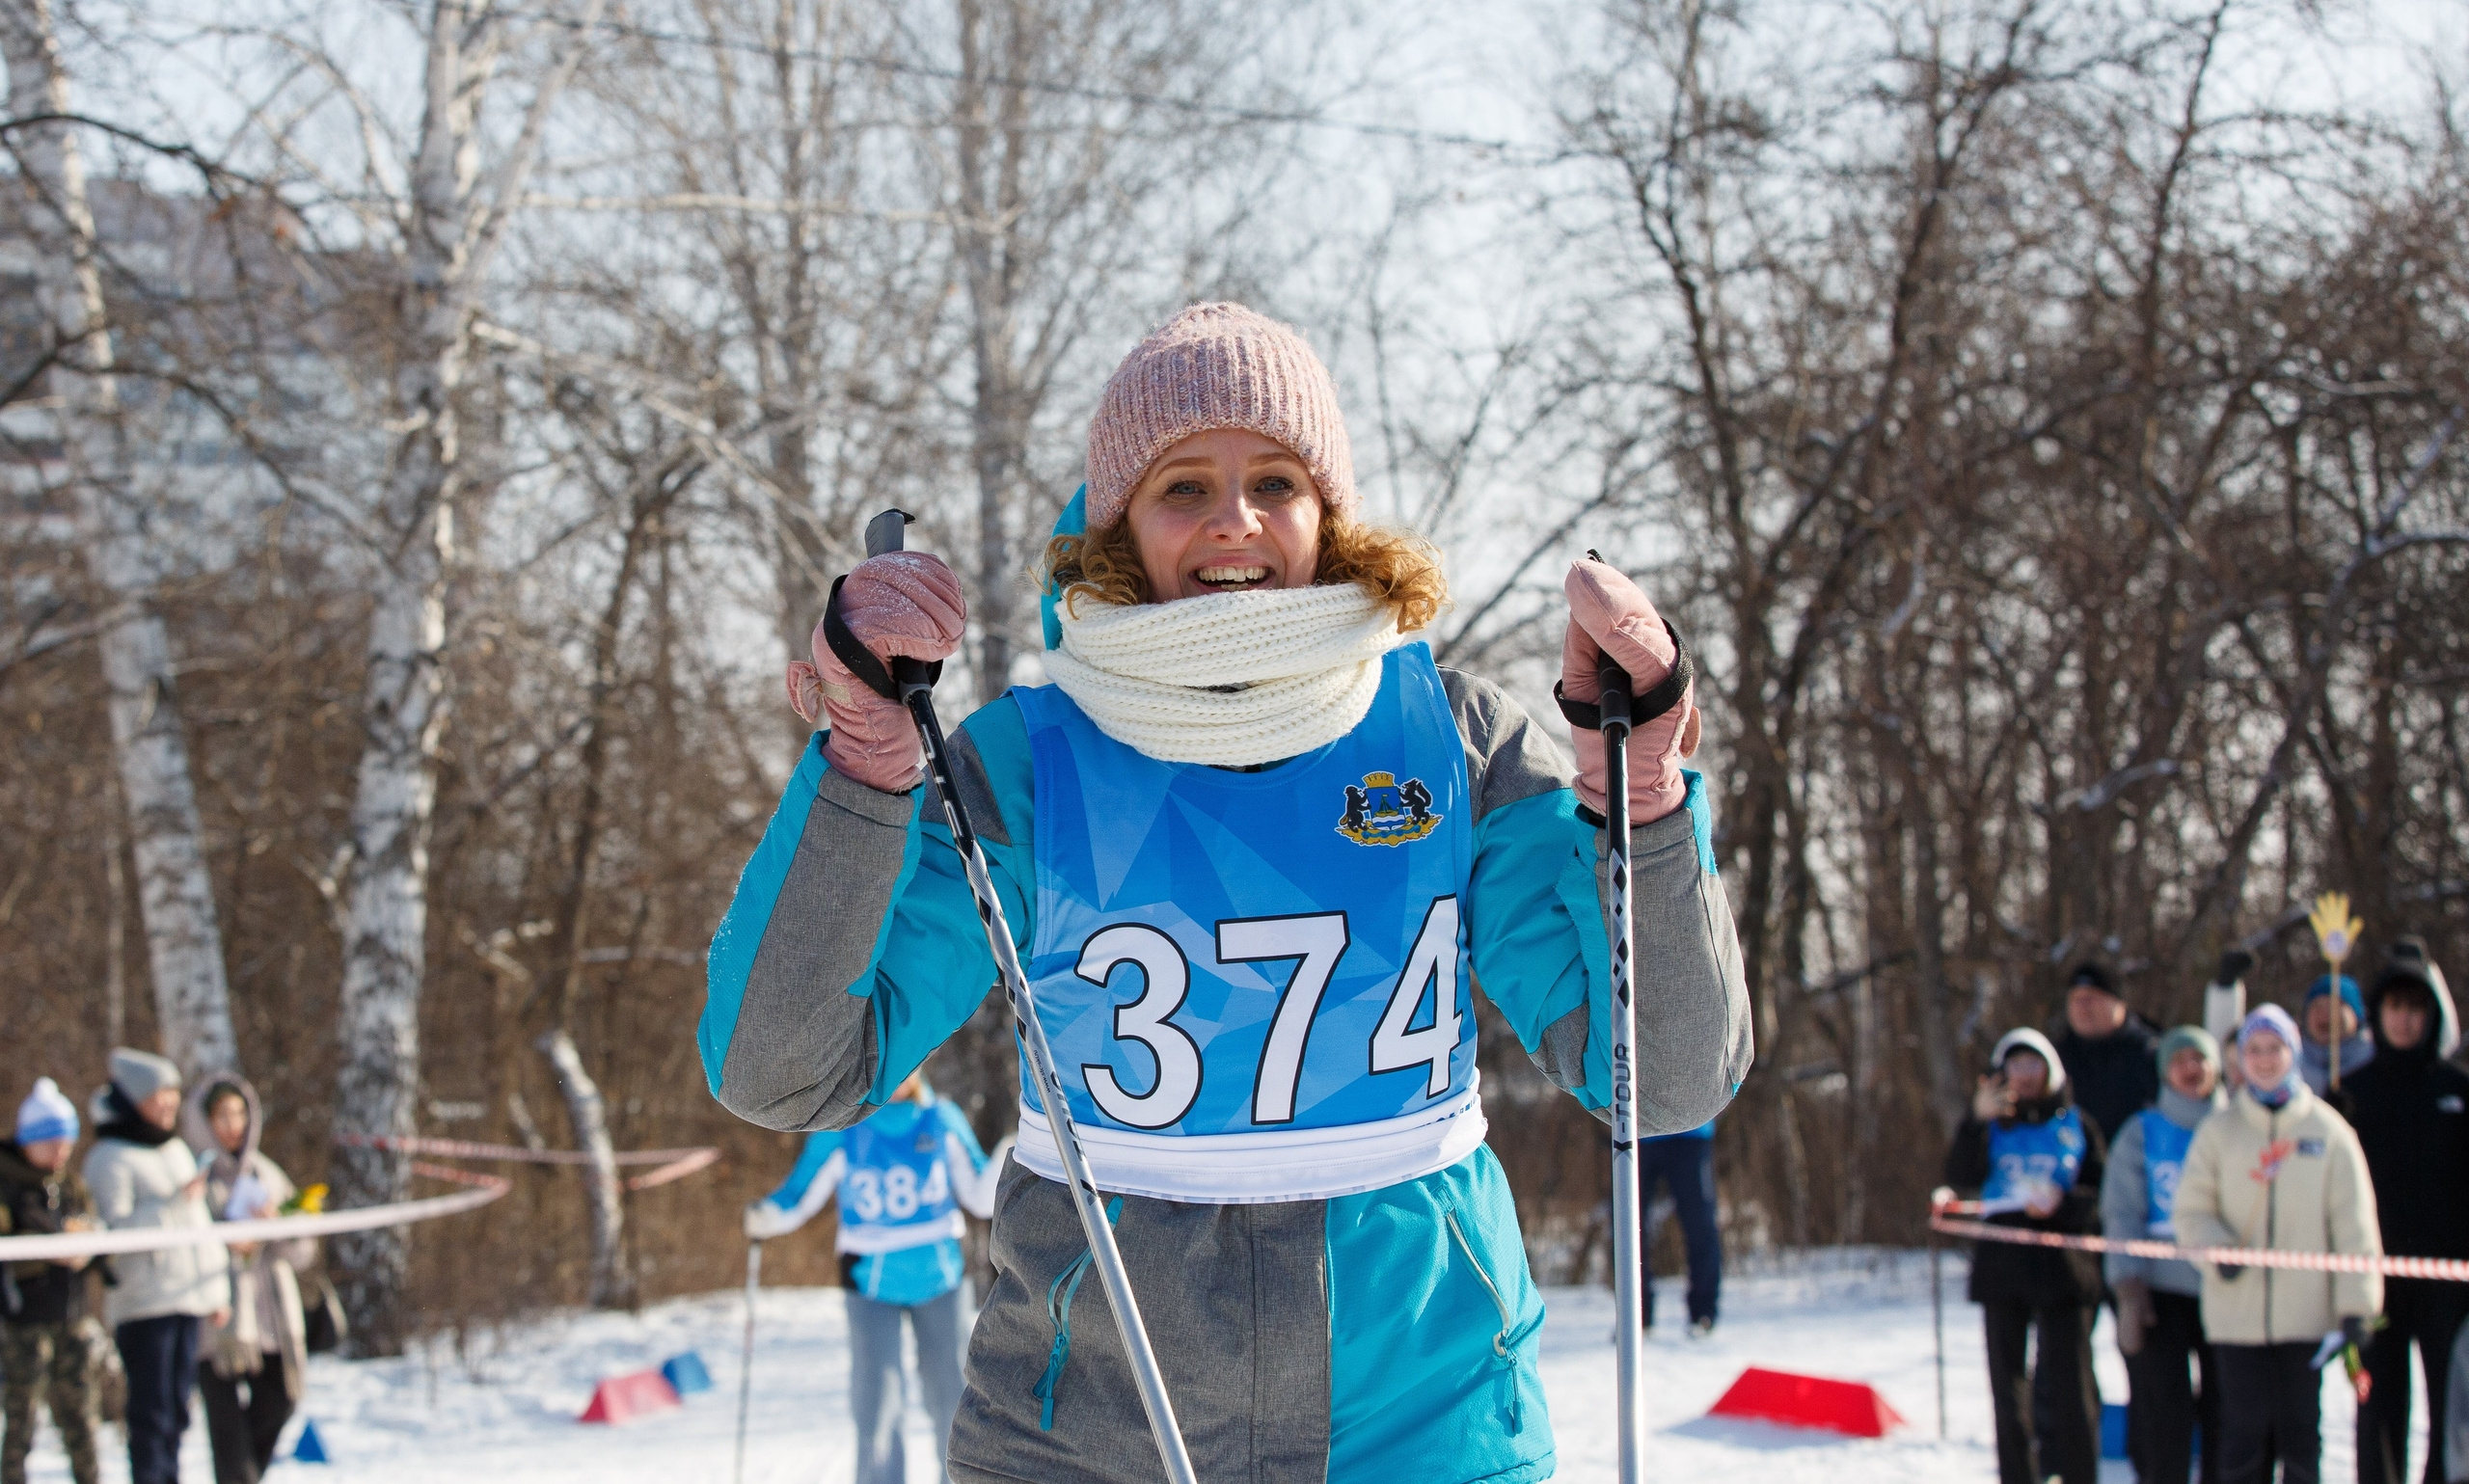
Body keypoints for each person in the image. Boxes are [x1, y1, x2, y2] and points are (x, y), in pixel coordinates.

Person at [699, 302, 1753, 1483]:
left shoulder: (1453, 742)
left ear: (1329, 513)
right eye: (1182, 486)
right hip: (1090, 1422)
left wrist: (1647, 806)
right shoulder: (1025, 764)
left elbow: (1662, 1077)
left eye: (1276, 482)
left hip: (1423, 1410)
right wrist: (861, 768)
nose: (1233, 522)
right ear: (1120, 529)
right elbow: (781, 1067)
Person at [743, 1071, 1005, 1484]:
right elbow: (799, 1194)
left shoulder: (940, 1118)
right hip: (869, 1283)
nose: (899, 1071)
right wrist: (768, 1216)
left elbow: (980, 1196)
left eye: (908, 1061)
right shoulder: (843, 1126)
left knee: (951, 1399)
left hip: (939, 1278)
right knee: (877, 1404)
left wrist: (1007, 1160)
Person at [2175, 1005, 2382, 1484]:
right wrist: (2216, 1251)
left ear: (2293, 1052)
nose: (2265, 1060)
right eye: (2254, 1050)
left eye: (2275, 1048)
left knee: (2300, 1435)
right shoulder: (2219, 1131)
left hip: (2305, 1318)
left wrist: (2358, 1305)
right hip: (2235, 1319)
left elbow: (2354, 1226)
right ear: (2240, 1059)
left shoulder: (2328, 1133)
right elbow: (2190, 1212)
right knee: (2243, 1434)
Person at [1944, 1027, 2107, 1484]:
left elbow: (2100, 1193)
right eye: (2015, 1065)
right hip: (2003, 1268)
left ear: (2051, 1070)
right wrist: (1974, 1121)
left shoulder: (2076, 1123)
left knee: (2070, 1388)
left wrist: (2062, 1203)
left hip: (2064, 1269)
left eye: (2034, 1065)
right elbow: (1959, 1176)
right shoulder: (1991, 1124)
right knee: (2008, 1392)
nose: (2025, 1076)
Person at [2345, 938, 2467, 1484]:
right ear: (2377, 1014)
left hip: (2449, 1282)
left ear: (2433, 1015)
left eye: (2416, 1009)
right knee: (2378, 1408)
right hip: (2376, 1282)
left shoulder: (2457, 1090)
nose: (2405, 1020)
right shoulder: (2350, 1093)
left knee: (2452, 1405)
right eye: (2395, 1007)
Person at [83, 1048, 229, 1484]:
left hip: (187, 1297)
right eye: (158, 1099)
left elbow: (199, 1228)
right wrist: (172, 1204)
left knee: (179, 1411)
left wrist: (216, 1291)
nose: (168, 1107)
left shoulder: (176, 1150)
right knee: (151, 1412)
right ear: (133, 1099)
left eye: (172, 1098)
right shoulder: (108, 1158)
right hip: (143, 1304)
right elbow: (111, 1233)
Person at [2102, 1026, 2227, 1484]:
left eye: (2200, 1059)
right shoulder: (2142, 1132)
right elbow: (2122, 1213)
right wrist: (2128, 1287)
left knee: (2227, 1413)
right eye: (2180, 1061)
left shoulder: (2237, 1128)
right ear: (2164, 1072)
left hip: (2228, 1291)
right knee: (2164, 1417)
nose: (2191, 1070)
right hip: (2159, 1293)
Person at [190, 1077, 314, 1484]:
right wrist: (227, 1242)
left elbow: (303, 1252)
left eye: (240, 1113)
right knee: (227, 1435)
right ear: (204, 1121)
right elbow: (181, 1246)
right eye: (221, 1115)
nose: (232, 1124)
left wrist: (276, 1228)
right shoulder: (194, 1176)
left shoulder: (268, 1174)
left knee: (279, 1404)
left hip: (272, 1322)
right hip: (218, 1325)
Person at [2, 1078, 103, 1484]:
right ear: (28, 1140)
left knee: (81, 1419)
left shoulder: (70, 1185)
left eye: (66, 1142)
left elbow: (99, 1234)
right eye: (50, 1142)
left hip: (72, 1314)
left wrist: (90, 1244)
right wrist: (48, 1249)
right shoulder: (7, 1184)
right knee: (21, 1421)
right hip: (23, 1320)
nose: (60, 1151)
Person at [2051, 962, 2162, 1150]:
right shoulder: (2056, 1057)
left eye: (2091, 999)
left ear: (2118, 1003)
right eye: (2075, 999)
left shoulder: (2152, 1053)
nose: (2082, 1008)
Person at [1636, 1118, 1720, 1336]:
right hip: (1637, 1133)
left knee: (1700, 1225)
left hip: (1691, 1130)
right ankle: (1636, 1314)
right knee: (1627, 1229)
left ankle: (1703, 1313)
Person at [2298, 973, 2375, 1100]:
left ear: (2355, 1014)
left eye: (2334, 1005)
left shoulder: (2373, 1057)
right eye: (2317, 1006)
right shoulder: (2291, 1062)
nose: (2324, 1013)